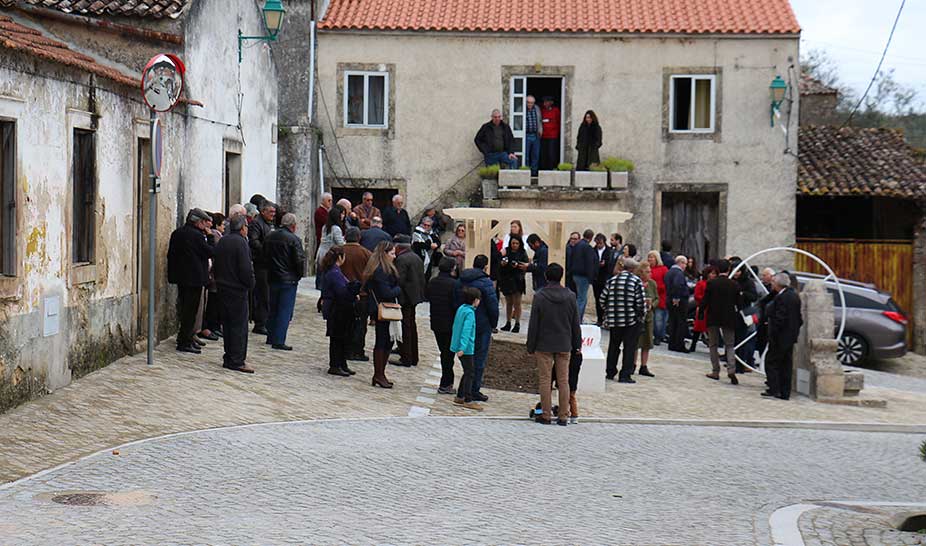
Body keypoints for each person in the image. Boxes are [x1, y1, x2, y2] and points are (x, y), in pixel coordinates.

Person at [527, 263, 581, 426]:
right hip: (564, 343)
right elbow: (575, 323)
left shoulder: (540, 296)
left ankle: (545, 414)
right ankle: (564, 415)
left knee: (545, 380)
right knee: (564, 381)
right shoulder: (570, 296)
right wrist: (577, 343)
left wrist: (531, 344)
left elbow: (534, 323)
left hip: (544, 343)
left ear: (546, 276)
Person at [167, 208, 214, 354]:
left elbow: (171, 255)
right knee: (190, 311)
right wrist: (211, 237)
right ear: (197, 222)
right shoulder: (196, 236)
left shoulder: (177, 233)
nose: (206, 226)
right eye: (203, 222)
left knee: (185, 309)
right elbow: (210, 251)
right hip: (194, 278)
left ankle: (186, 338)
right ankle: (184, 341)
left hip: (181, 277)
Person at [212, 214, 255, 373]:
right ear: (243, 227)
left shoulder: (224, 240)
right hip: (236, 289)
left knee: (228, 325)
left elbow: (216, 263)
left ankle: (229, 356)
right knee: (238, 326)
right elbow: (245, 269)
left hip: (223, 287)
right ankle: (237, 360)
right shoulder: (241, 243)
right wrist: (250, 283)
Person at [263, 212, 306, 351]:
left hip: (272, 277)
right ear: (293, 226)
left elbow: (264, 255)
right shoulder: (294, 240)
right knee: (284, 310)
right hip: (288, 279)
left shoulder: (270, 236)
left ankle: (271, 336)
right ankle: (279, 339)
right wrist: (298, 275)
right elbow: (299, 261)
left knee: (273, 308)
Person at [460, 255, 499, 403]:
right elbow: (492, 305)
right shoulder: (486, 283)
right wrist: (493, 324)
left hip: (465, 321)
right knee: (479, 358)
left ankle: (464, 389)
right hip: (482, 324)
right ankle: (472, 390)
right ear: (485, 267)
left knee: (468, 357)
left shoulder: (462, 279)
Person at [362, 242, 400, 388]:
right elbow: (386, 292)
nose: (394, 256)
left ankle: (380, 373)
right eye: (392, 253)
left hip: (383, 308)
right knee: (382, 341)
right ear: (384, 254)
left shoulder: (383, 269)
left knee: (387, 341)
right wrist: (398, 289)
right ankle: (379, 374)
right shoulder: (381, 271)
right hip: (382, 309)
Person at [602, 258, 645, 383]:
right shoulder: (636, 281)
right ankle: (625, 374)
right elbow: (640, 302)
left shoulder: (612, 280)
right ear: (633, 269)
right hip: (631, 320)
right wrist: (640, 315)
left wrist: (609, 311)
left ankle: (610, 371)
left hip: (615, 319)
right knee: (629, 347)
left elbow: (602, 298)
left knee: (614, 346)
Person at [321, 247, 360, 377]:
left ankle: (342, 363)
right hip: (336, 309)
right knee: (337, 338)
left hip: (339, 308)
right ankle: (335, 364)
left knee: (343, 337)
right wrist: (353, 291)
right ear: (340, 258)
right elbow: (341, 292)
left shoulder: (335, 271)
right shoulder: (334, 273)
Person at [764, 273, 803, 400]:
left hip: (780, 337)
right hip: (790, 336)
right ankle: (784, 391)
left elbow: (780, 318)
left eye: (773, 282)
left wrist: (773, 332)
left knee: (772, 362)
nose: (772, 284)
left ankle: (774, 389)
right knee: (786, 364)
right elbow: (799, 319)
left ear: (778, 284)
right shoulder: (794, 296)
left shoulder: (783, 297)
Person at [427, 257, 461, 395]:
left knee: (444, 352)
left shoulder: (433, 282)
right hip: (449, 323)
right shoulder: (454, 284)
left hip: (436, 321)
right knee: (448, 354)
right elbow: (456, 304)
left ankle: (446, 381)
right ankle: (446, 382)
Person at [703, 259, 740, 385]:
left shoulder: (712, 283)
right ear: (728, 270)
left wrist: (701, 313)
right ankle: (731, 369)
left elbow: (705, 300)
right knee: (729, 344)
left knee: (713, 344)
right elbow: (738, 303)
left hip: (713, 316)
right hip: (728, 317)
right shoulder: (734, 284)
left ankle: (715, 371)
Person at [394, 235, 425, 367]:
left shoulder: (401, 259)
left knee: (405, 326)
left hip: (405, 297)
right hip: (414, 296)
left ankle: (406, 357)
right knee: (411, 325)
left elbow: (399, 280)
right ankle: (413, 356)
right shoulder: (416, 257)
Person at [341, 227, 372, 361]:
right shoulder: (366, 253)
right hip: (362, 293)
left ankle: (344, 348)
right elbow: (371, 274)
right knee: (360, 324)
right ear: (359, 238)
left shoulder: (339, 250)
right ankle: (357, 350)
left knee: (343, 323)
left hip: (342, 292)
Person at [452, 286, 483, 411]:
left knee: (467, 371)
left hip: (459, 346)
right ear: (475, 300)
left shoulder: (461, 309)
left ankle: (460, 395)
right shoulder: (470, 313)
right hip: (466, 348)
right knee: (470, 372)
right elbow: (466, 330)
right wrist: (463, 347)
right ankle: (468, 399)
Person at [248, 200, 276, 335]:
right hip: (260, 263)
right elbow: (254, 241)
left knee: (267, 294)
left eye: (274, 212)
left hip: (267, 264)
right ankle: (260, 323)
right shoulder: (256, 223)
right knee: (263, 294)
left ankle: (264, 321)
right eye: (270, 212)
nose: (273, 214)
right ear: (263, 211)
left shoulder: (268, 224)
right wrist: (267, 251)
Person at [498, 235, 528, 333]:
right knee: (509, 302)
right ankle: (508, 322)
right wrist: (503, 264)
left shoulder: (522, 253)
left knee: (517, 302)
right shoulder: (506, 251)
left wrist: (518, 266)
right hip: (507, 278)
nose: (514, 245)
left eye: (516, 243)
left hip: (517, 279)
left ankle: (517, 323)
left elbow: (525, 265)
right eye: (513, 243)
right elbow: (500, 262)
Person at [732, 261, 759, 372]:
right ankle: (733, 362)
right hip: (732, 313)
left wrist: (742, 294)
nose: (736, 273)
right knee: (733, 339)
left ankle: (741, 364)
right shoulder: (732, 281)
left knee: (742, 339)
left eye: (737, 270)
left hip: (743, 314)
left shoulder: (748, 282)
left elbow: (753, 297)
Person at [570, 229, 598, 322]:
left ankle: (576, 319)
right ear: (591, 238)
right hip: (583, 276)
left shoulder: (576, 245)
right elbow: (589, 263)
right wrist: (591, 278)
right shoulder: (587, 247)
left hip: (575, 274)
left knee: (579, 297)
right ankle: (577, 320)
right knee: (581, 299)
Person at [635, 262, 657, 377]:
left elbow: (657, 298)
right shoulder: (636, 282)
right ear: (641, 273)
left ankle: (644, 366)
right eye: (647, 272)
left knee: (647, 343)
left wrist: (652, 304)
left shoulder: (653, 284)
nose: (650, 274)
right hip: (638, 317)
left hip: (649, 317)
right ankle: (632, 364)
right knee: (636, 342)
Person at [664, 255, 690, 352]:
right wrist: (676, 297)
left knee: (673, 322)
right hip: (679, 301)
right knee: (680, 322)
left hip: (669, 299)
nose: (685, 266)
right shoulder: (678, 273)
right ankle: (679, 344)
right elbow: (677, 284)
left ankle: (672, 343)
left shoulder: (669, 272)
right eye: (685, 264)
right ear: (680, 263)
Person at [688, 266, 716, 353]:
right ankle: (693, 345)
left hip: (712, 309)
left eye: (715, 274)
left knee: (711, 329)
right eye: (712, 273)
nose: (713, 275)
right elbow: (697, 295)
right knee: (698, 328)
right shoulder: (701, 283)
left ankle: (712, 348)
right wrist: (705, 300)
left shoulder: (715, 284)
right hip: (703, 308)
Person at [647, 251, 669, 346]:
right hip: (648, 296)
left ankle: (658, 337)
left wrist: (657, 287)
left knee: (658, 319)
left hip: (660, 297)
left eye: (652, 257)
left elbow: (667, 283)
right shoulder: (647, 269)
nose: (650, 259)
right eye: (649, 257)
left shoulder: (663, 269)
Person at [592, 233, 614, 327]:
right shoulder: (593, 250)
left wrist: (605, 264)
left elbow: (611, 263)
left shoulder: (609, 251)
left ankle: (607, 319)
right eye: (597, 243)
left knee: (607, 299)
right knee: (598, 299)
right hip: (596, 278)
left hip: (606, 277)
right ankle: (599, 319)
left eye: (600, 243)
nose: (599, 245)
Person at [755, 267, 776, 360]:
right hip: (762, 318)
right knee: (761, 341)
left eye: (764, 275)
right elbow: (761, 302)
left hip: (772, 319)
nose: (762, 277)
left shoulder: (775, 290)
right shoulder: (761, 286)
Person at [523, 95, 543, 176]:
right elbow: (517, 121)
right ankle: (526, 173)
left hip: (535, 135)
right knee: (526, 155)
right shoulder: (522, 109)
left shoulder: (537, 108)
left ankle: (534, 173)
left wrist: (540, 129)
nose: (530, 104)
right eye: (528, 102)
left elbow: (540, 120)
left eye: (532, 103)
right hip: (526, 135)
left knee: (535, 155)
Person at [539, 96, 561, 170]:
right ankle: (544, 169)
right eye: (544, 102)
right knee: (544, 154)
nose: (545, 103)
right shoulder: (542, 111)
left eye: (547, 102)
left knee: (552, 154)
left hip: (553, 136)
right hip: (543, 136)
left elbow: (559, 122)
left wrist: (557, 133)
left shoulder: (556, 110)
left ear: (551, 102)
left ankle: (552, 169)